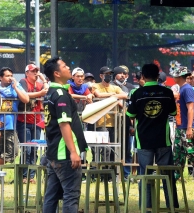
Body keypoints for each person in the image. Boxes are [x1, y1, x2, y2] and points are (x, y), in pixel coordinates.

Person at [126, 63, 178, 209]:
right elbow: (173, 113)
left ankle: (146, 207)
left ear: (142, 76)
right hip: (163, 139)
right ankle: (171, 206)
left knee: (145, 174)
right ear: (158, 75)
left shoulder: (137, 94)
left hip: (143, 140)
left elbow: (130, 114)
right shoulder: (167, 93)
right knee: (167, 174)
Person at [42, 57, 89, 213]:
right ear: (56, 73)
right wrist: (73, 152)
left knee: (51, 196)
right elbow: (63, 124)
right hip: (64, 154)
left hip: (53, 152)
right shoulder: (61, 94)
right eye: (64, 66)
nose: (68, 67)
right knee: (71, 195)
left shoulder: (50, 93)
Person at [17, 63, 48, 182]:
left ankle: (31, 176)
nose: (35, 73)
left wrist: (43, 79)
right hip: (23, 120)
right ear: (27, 73)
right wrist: (39, 94)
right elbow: (24, 94)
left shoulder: (40, 84)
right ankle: (24, 175)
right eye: (33, 71)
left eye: (37, 71)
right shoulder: (23, 82)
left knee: (35, 149)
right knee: (27, 149)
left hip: (36, 120)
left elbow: (47, 91)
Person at [0, 67, 29, 168]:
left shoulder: (16, 86)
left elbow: (26, 99)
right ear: (0, 77)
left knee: (12, 152)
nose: (10, 78)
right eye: (7, 76)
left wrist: (15, 88)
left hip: (10, 125)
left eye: (11, 76)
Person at [92, 66, 128, 163]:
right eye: (106, 74)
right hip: (101, 122)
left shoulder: (115, 87)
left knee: (113, 149)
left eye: (110, 74)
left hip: (114, 122)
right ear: (101, 75)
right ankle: (103, 172)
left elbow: (124, 95)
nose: (108, 76)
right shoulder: (95, 85)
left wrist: (112, 96)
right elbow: (98, 95)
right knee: (105, 149)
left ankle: (112, 173)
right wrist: (114, 96)